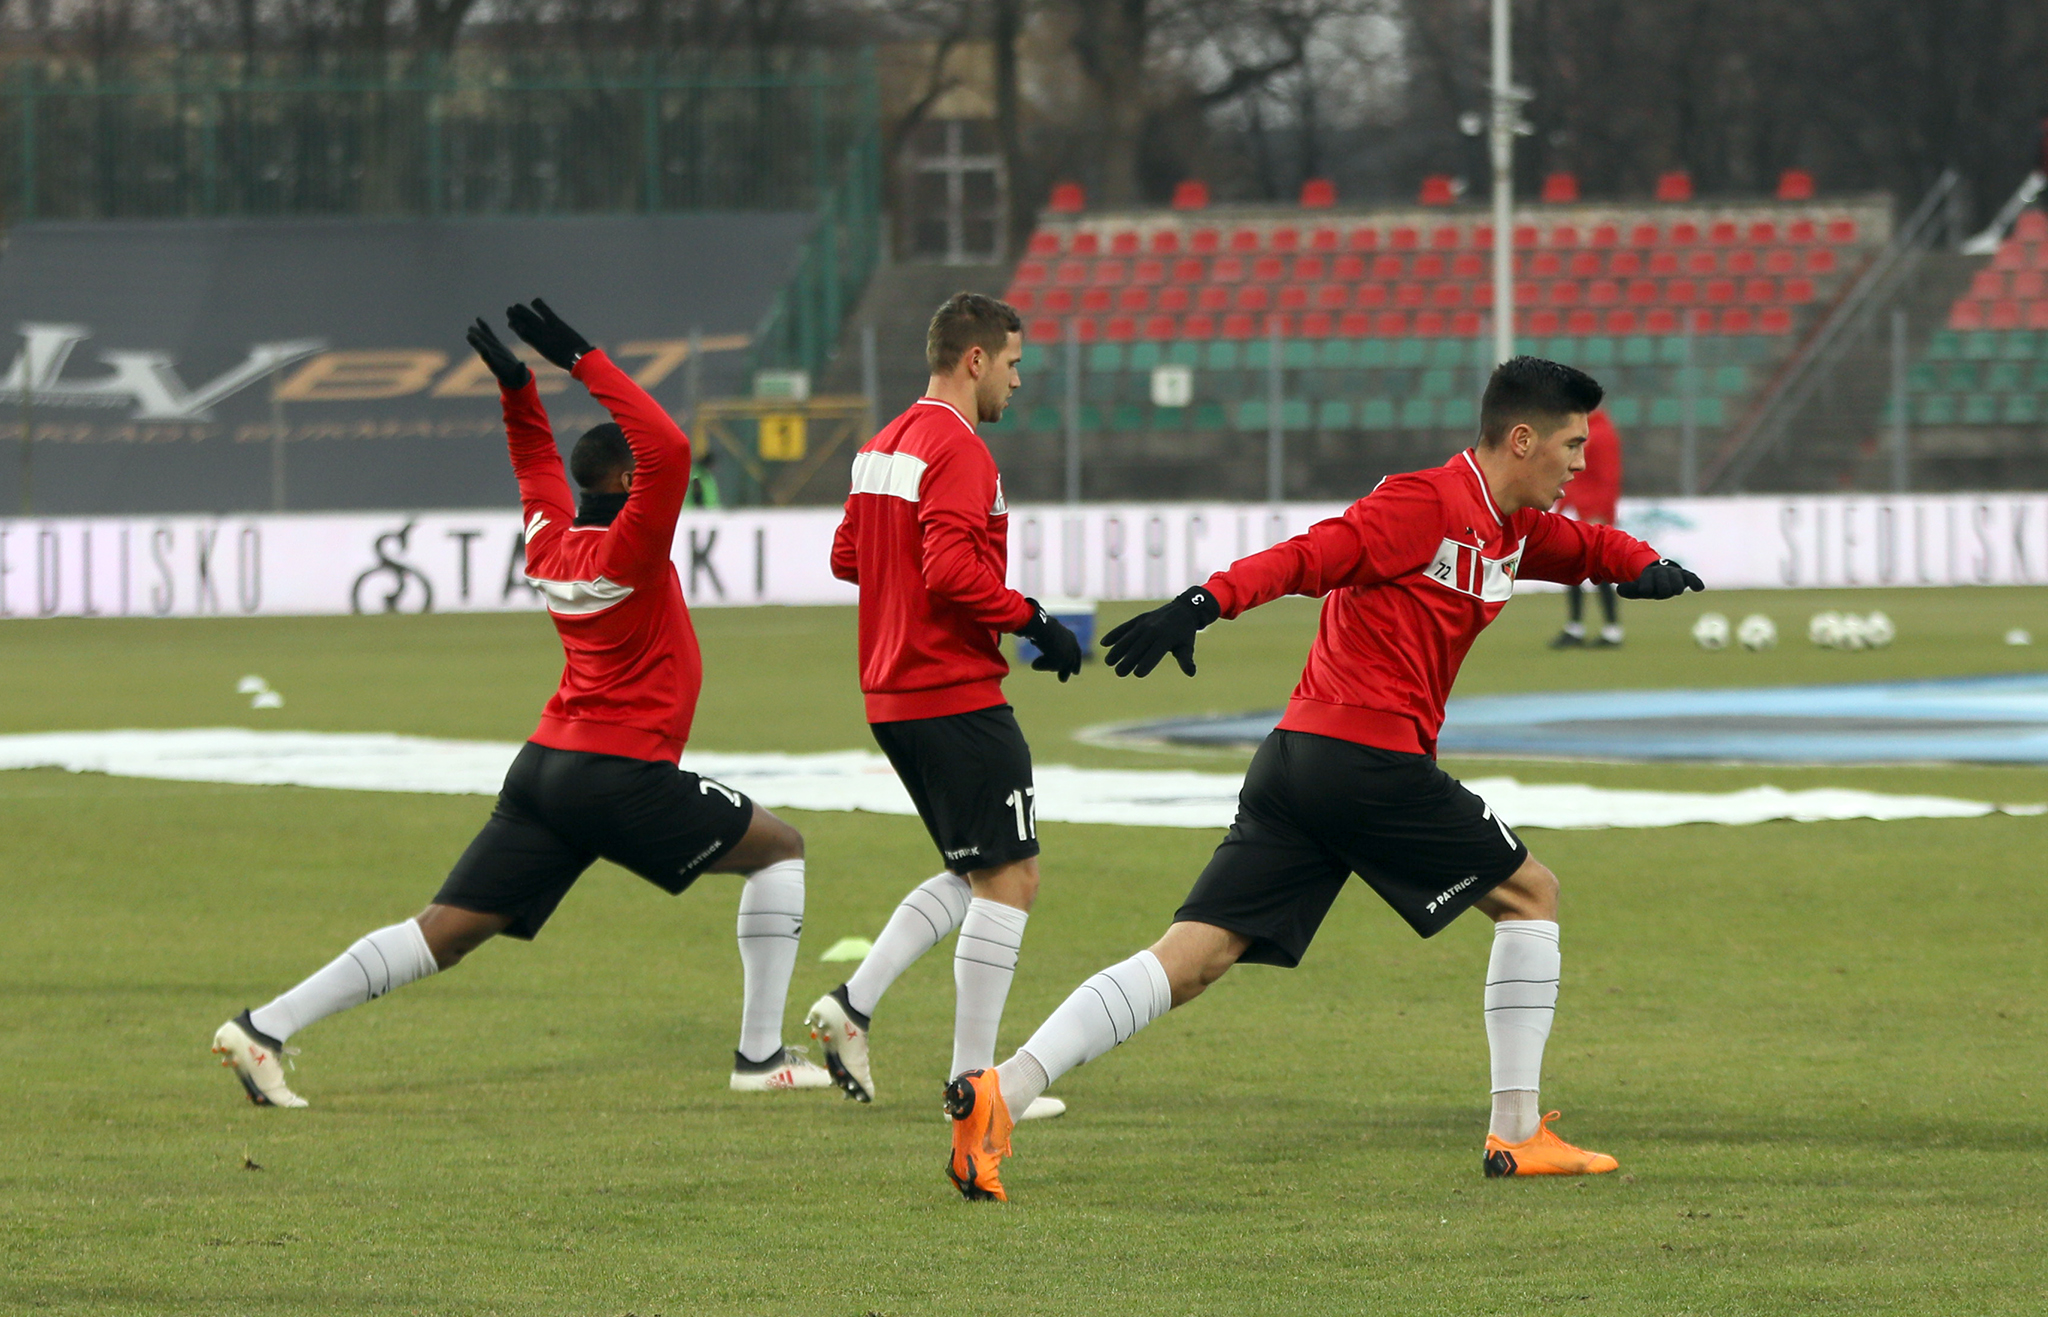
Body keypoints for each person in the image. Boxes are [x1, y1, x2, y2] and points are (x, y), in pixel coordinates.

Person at [944, 357, 1705, 1201]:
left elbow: (1590, 548)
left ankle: (1002, 1093)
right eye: (1572, 445)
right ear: (1521, 440)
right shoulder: (1425, 503)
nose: (1582, 464)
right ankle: (1518, 1133)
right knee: (1531, 895)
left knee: (1194, 956)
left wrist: (1643, 565)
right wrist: (1203, 603)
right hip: (1367, 763)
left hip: (1300, 763)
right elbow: (1311, 555)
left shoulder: (1513, 527)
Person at [211, 298, 830, 1106]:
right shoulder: (632, 549)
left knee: (444, 931)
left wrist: (517, 393)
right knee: (779, 849)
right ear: (628, 482)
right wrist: (578, 357)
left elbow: (534, 462)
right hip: (622, 773)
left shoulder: (548, 542)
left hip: (546, 770)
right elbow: (670, 447)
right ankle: (759, 1057)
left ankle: (264, 1028)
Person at [802, 293, 1082, 1121]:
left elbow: (847, 556)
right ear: (975, 359)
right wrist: (1035, 621)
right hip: (951, 690)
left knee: (975, 870)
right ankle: (974, 1087)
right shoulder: (959, 449)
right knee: (1012, 879)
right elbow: (952, 570)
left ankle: (853, 1006)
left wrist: (904, 590)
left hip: (892, 694)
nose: (1017, 381)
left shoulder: (881, 445)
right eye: (1013, 363)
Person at [1550, 406, 1624, 648]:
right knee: (1572, 566)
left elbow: (1608, 477)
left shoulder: (1601, 434)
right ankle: (1577, 627)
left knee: (1597, 568)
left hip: (1591, 512)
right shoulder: (1584, 431)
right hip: (1578, 509)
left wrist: (1602, 514)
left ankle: (1611, 630)